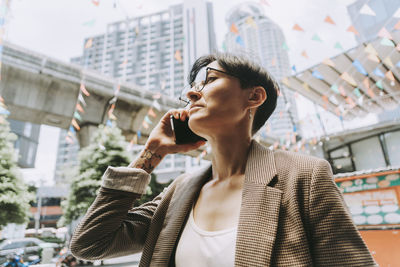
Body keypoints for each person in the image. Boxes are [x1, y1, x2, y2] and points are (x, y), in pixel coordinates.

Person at [70, 53, 376, 267]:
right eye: (191, 86)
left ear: (253, 98)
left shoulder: (304, 176)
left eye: (209, 80)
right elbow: (90, 243)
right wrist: (151, 154)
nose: (191, 93)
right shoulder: (179, 191)